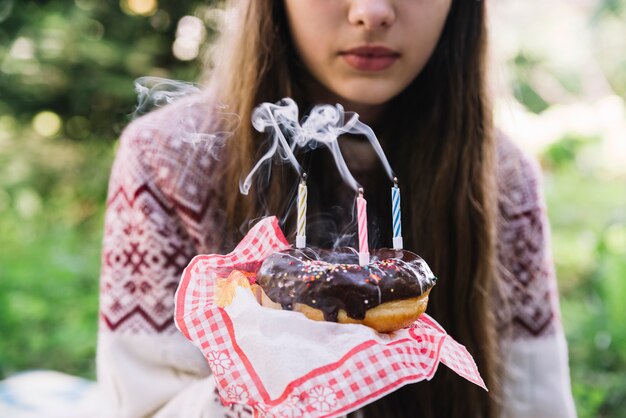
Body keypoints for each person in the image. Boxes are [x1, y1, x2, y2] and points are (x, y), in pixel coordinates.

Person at [97, 0, 577, 417]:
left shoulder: (501, 177)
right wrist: (271, 381)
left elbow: (533, 405)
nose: (372, 13)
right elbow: (145, 407)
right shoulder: (169, 160)